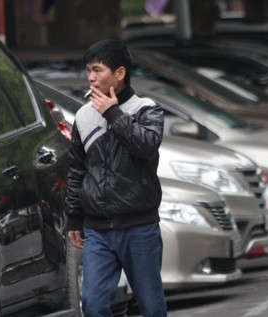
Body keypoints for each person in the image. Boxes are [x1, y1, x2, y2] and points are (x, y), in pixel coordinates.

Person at [64, 39, 167, 317]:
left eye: (97, 70)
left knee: (151, 307)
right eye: (88, 70)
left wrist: (112, 113)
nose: (90, 78)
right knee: (94, 305)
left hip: (139, 227)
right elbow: (77, 169)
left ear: (120, 73)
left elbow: (146, 146)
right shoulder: (83, 116)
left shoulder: (147, 109)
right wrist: (74, 216)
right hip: (97, 231)